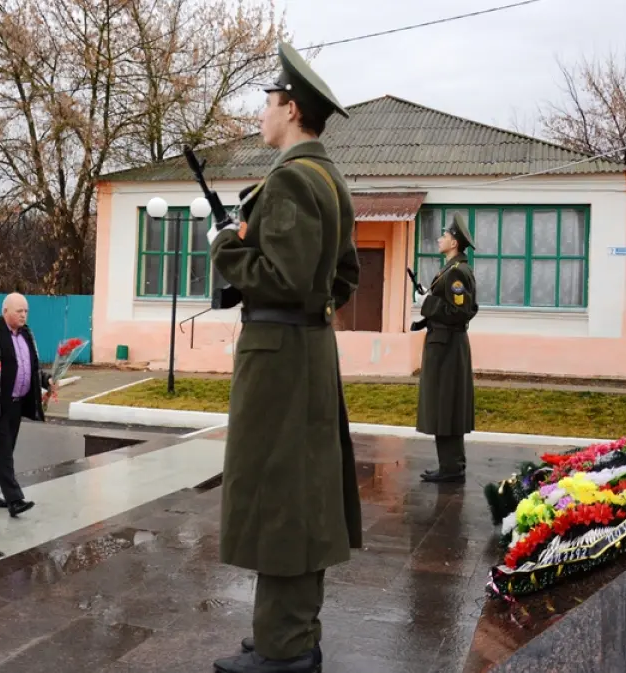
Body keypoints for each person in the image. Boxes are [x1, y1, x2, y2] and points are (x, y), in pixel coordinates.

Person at [206, 42, 362, 673]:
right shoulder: (328, 178)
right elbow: (341, 278)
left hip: (280, 355)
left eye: (268, 101)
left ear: (291, 109)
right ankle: (287, 630)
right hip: (305, 349)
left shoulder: (295, 177)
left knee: (282, 494)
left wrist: (226, 247)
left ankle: (286, 646)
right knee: (297, 491)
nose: (262, 113)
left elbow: (288, 277)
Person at [412, 214, 479, 483]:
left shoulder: (457, 273)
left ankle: (451, 466)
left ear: (453, 242)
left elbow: (460, 311)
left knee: (446, 404)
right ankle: (451, 464)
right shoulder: (451, 270)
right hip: (445, 345)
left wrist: (427, 302)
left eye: (443, 236)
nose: (439, 239)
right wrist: (426, 313)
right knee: (446, 404)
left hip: (448, 347)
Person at [0, 293, 52, 516]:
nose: (23, 315)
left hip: (17, 402)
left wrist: (46, 380)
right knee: (4, 450)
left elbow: (31, 365)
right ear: (5, 312)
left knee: (5, 448)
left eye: (26, 311)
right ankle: (15, 500)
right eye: (19, 311)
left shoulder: (26, 334)